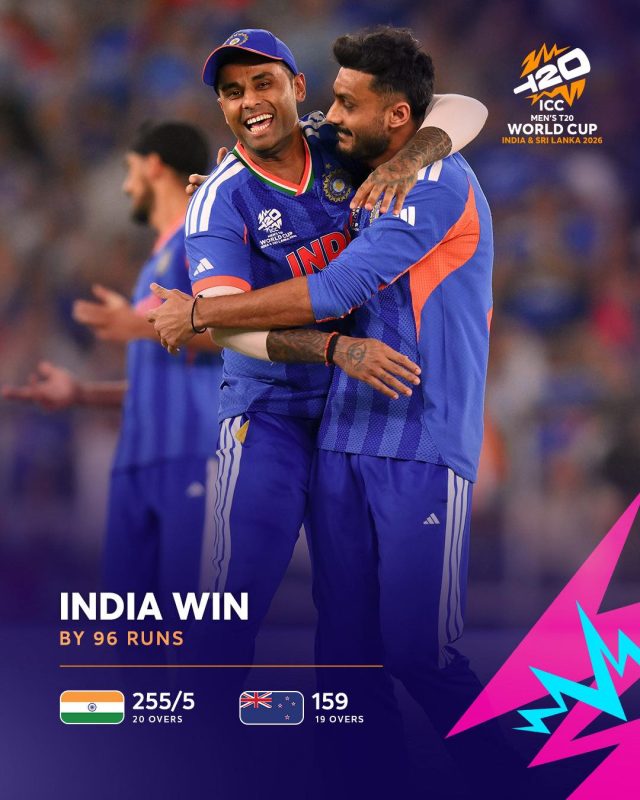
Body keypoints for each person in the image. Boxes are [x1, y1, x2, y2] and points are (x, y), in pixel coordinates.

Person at [148, 27, 510, 798]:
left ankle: (525, 775)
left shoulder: (361, 153)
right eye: (232, 91)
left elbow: (460, 108)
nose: (250, 102)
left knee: (407, 651)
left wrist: (412, 156)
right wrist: (329, 348)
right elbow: (236, 332)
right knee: (265, 619)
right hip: (283, 418)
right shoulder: (223, 198)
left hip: (388, 425)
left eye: (264, 83)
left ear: (298, 89)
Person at [4, 122, 222, 618]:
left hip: (188, 458)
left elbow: (236, 335)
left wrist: (139, 325)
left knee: (188, 627)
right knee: (130, 628)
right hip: (143, 461)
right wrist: (81, 393)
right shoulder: (157, 262)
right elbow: (156, 382)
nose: (125, 186)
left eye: (129, 171)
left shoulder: (202, 246)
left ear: (154, 168)